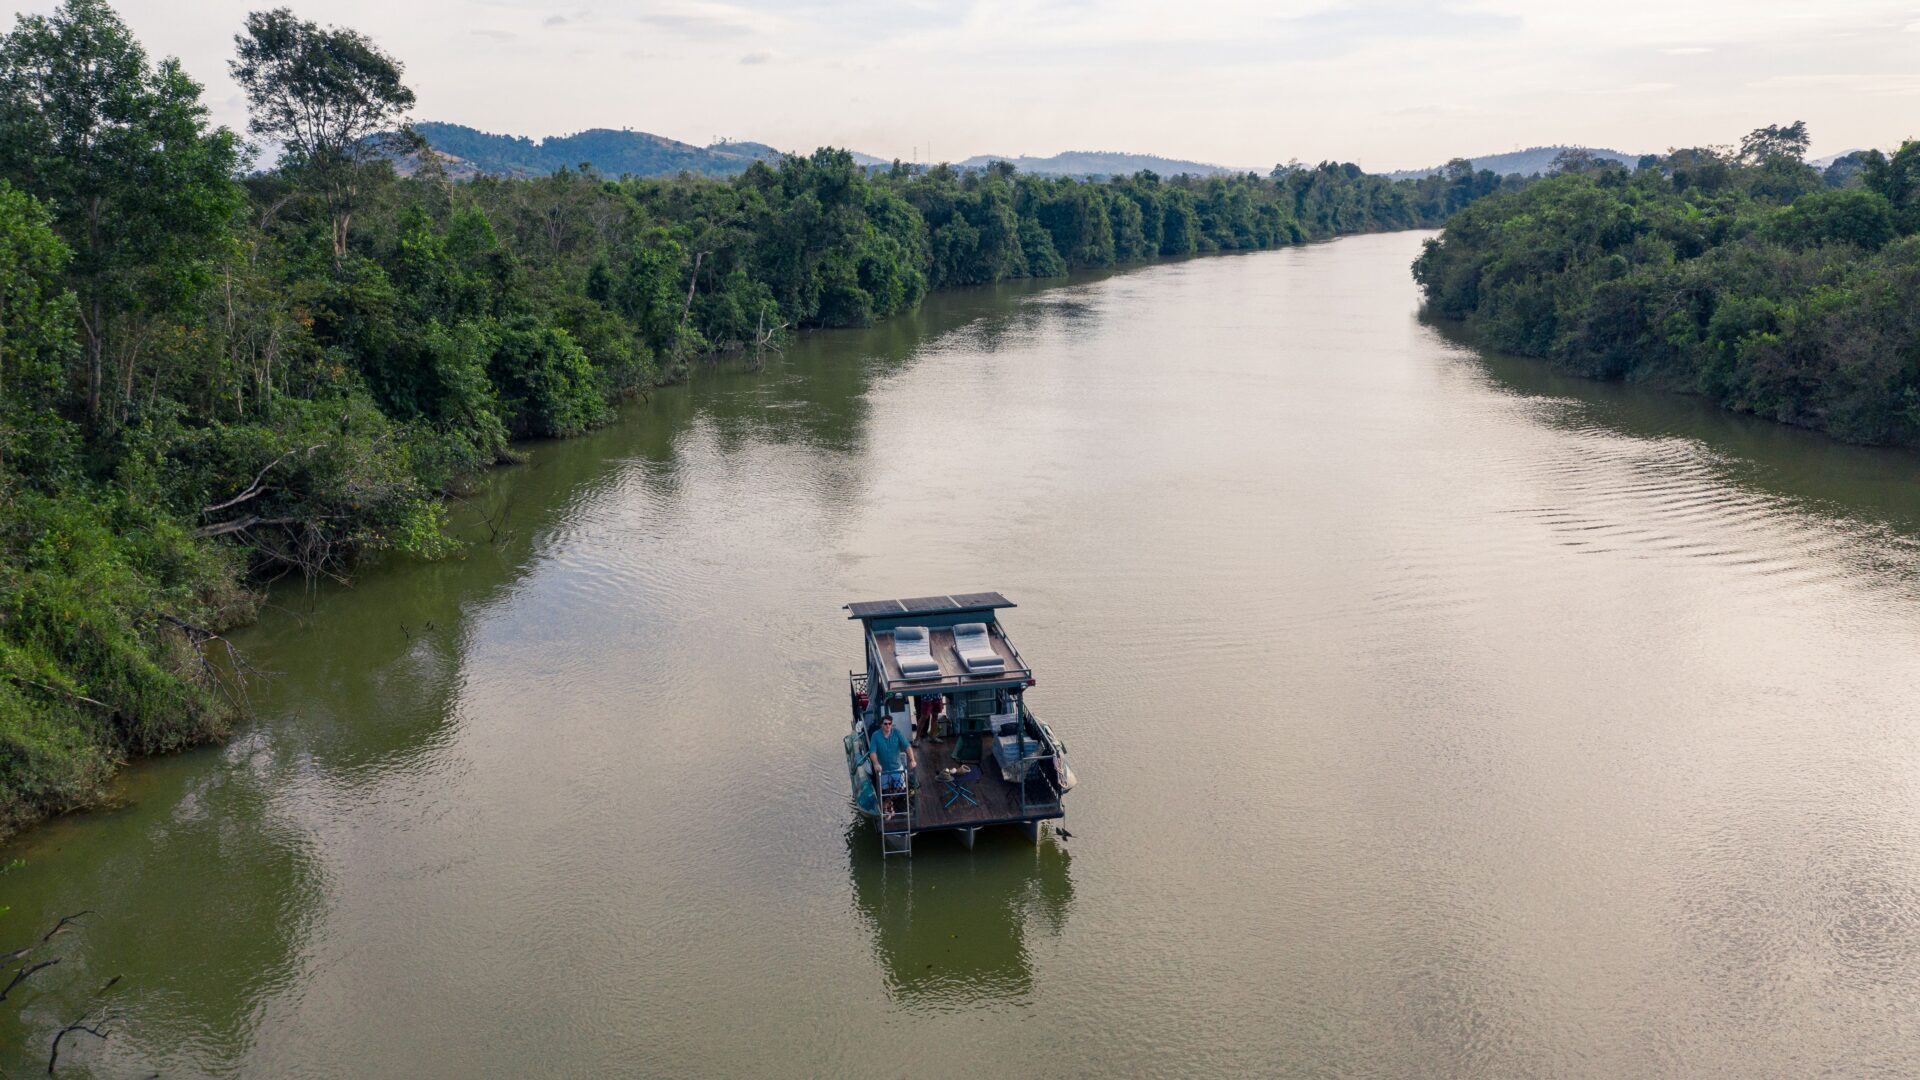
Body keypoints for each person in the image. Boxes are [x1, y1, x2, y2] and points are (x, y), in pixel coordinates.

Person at [867, 713, 916, 806]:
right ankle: (888, 805)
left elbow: (907, 747)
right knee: (884, 790)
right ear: (881, 725)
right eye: (885, 724)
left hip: (897, 767)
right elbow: (872, 752)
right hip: (883, 769)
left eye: (890, 723)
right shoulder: (875, 736)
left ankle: (887, 803)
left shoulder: (897, 733)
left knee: (901, 789)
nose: (888, 726)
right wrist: (876, 764)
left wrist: (912, 760)